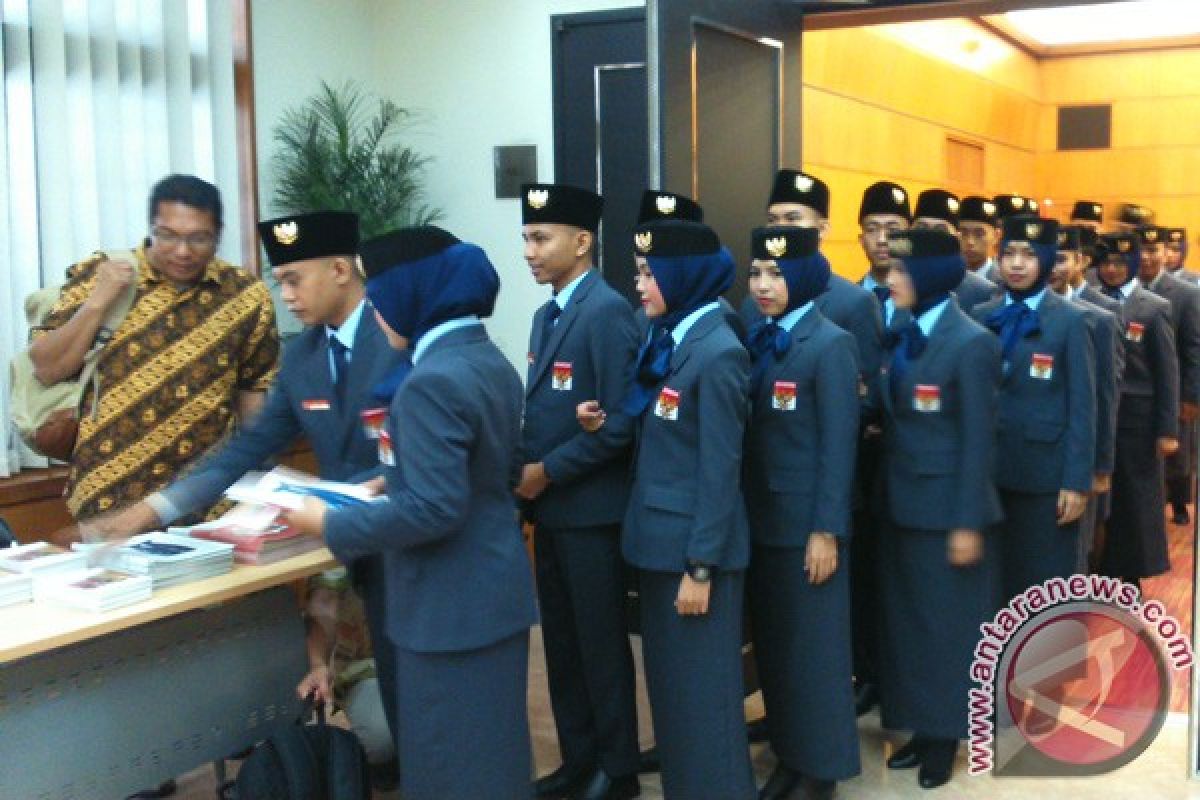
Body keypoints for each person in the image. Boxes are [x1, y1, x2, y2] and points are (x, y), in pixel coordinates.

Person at [89, 210, 404, 784]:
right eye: (277, 281)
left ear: (340, 270)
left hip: (408, 545)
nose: (284, 296)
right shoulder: (305, 356)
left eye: (293, 280)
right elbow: (247, 449)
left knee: (417, 709)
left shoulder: (399, 337)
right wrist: (150, 511)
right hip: (348, 548)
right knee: (394, 720)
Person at [287, 226, 538, 800]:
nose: (373, 312)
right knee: (494, 755)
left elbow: (433, 508)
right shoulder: (484, 357)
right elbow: (497, 472)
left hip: (446, 606)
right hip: (490, 593)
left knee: (449, 764)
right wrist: (389, 480)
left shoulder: (429, 382)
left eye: (380, 295)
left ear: (410, 291)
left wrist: (330, 523)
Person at [580, 219, 754, 800]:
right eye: (638, 272)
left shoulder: (719, 352)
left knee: (705, 703)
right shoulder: (675, 340)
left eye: (650, 273)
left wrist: (700, 566)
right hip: (659, 548)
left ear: (683, 275)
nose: (640, 286)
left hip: (691, 559)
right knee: (677, 700)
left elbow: (720, 472)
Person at [28, 174, 279, 523]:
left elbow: (253, 389)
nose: (182, 251)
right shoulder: (103, 275)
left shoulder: (245, 295)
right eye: (168, 236)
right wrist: (99, 302)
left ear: (218, 234)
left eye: (198, 239)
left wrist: (258, 477)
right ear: (151, 228)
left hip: (207, 495)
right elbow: (46, 367)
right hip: (110, 495)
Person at [516, 183, 641, 800]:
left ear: (582, 241)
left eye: (540, 238)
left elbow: (620, 423)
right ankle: (577, 759)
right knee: (561, 647)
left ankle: (616, 772)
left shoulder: (608, 310)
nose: (529, 251)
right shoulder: (547, 314)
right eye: (526, 238)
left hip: (592, 514)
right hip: (554, 513)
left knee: (599, 647)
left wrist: (548, 471)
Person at [876, 228, 1002, 790]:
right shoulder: (900, 333)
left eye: (900, 272)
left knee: (948, 631)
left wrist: (967, 521)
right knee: (909, 628)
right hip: (899, 503)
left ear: (926, 276)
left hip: (946, 511)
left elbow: (979, 439)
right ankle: (922, 728)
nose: (890, 279)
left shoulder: (970, 341)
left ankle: (947, 736)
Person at [743, 226, 860, 800]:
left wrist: (826, 530)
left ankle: (822, 767)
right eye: (757, 272)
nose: (764, 285)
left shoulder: (829, 342)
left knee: (816, 652)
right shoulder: (759, 337)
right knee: (779, 650)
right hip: (762, 523)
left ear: (806, 277)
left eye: (777, 274)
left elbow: (840, 446)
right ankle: (791, 754)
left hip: (806, 528)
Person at [972, 216, 1095, 601]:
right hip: (990, 473)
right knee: (992, 584)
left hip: (1045, 477)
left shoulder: (1073, 320)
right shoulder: (981, 316)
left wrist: (1076, 481)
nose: (1017, 264)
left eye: (1028, 254)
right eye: (1008, 253)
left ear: (1045, 259)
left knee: (1043, 584)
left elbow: (1083, 405)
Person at [852, 179, 911, 717]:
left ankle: (899, 675)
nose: (882, 239)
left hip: (906, 458)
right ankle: (866, 671)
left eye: (893, 229)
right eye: (872, 229)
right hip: (857, 456)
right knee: (864, 569)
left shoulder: (921, 300)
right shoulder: (848, 298)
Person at [1094, 232, 1180, 590]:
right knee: (1102, 501)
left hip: (1137, 423)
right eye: (1106, 262)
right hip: (1102, 417)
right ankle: (1101, 570)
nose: (1112, 270)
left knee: (1134, 502)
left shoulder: (1152, 308)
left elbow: (1167, 372)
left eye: (1119, 263)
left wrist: (1167, 429)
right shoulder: (1090, 302)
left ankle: (1131, 576)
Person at [1048, 225, 1124, 573]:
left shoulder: (1099, 315)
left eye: (1062, 258)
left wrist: (1102, 464)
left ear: (1081, 261)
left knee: (1074, 551)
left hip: (1077, 451)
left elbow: (1105, 394)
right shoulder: (997, 310)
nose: (1053, 267)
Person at [1135, 225, 1200, 526]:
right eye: (1142, 250)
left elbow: (1192, 349)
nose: (1147, 258)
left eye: (1153, 250)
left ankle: (1174, 506)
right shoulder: (1115, 289)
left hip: (1169, 392)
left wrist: (1190, 395)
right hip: (1133, 395)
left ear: (1165, 252)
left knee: (1174, 461)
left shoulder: (1186, 294)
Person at [911, 189, 997, 313]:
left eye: (940, 231)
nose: (929, 237)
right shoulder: (892, 283)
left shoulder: (982, 292)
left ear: (957, 238)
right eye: (921, 228)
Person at [959, 196, 1001, 284]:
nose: (970, 242)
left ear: (996, 237)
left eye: (979, 234)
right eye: (963, 233)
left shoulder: (1003, 283)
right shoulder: (944, 279)